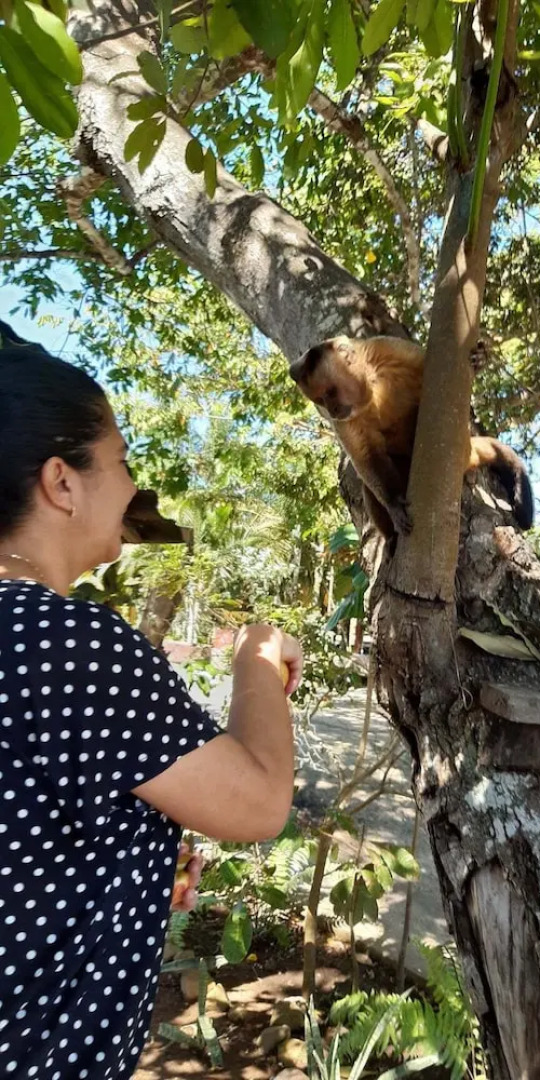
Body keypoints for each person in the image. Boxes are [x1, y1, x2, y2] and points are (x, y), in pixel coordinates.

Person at [0, 325, 302, 1078]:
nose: (133, 486)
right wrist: (258, 661)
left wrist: (124, 863)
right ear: (62, 482)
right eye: (123, 460)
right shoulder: (64, 640)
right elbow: (260, 800)